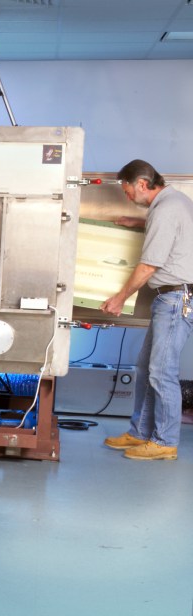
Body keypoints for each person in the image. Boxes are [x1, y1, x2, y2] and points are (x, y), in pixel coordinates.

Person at [100, 159, 193, 461]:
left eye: (127, 191)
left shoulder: (166, 208)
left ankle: (165, 441)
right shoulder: (173, 203)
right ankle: (140, 432)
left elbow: (150, 264)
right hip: (169, 298)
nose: (128, 197)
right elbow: (173, 231)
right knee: (146, 367)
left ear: (142, 183)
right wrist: (138, 223)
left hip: (176, 299)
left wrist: (120, 297)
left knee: (162, 371)